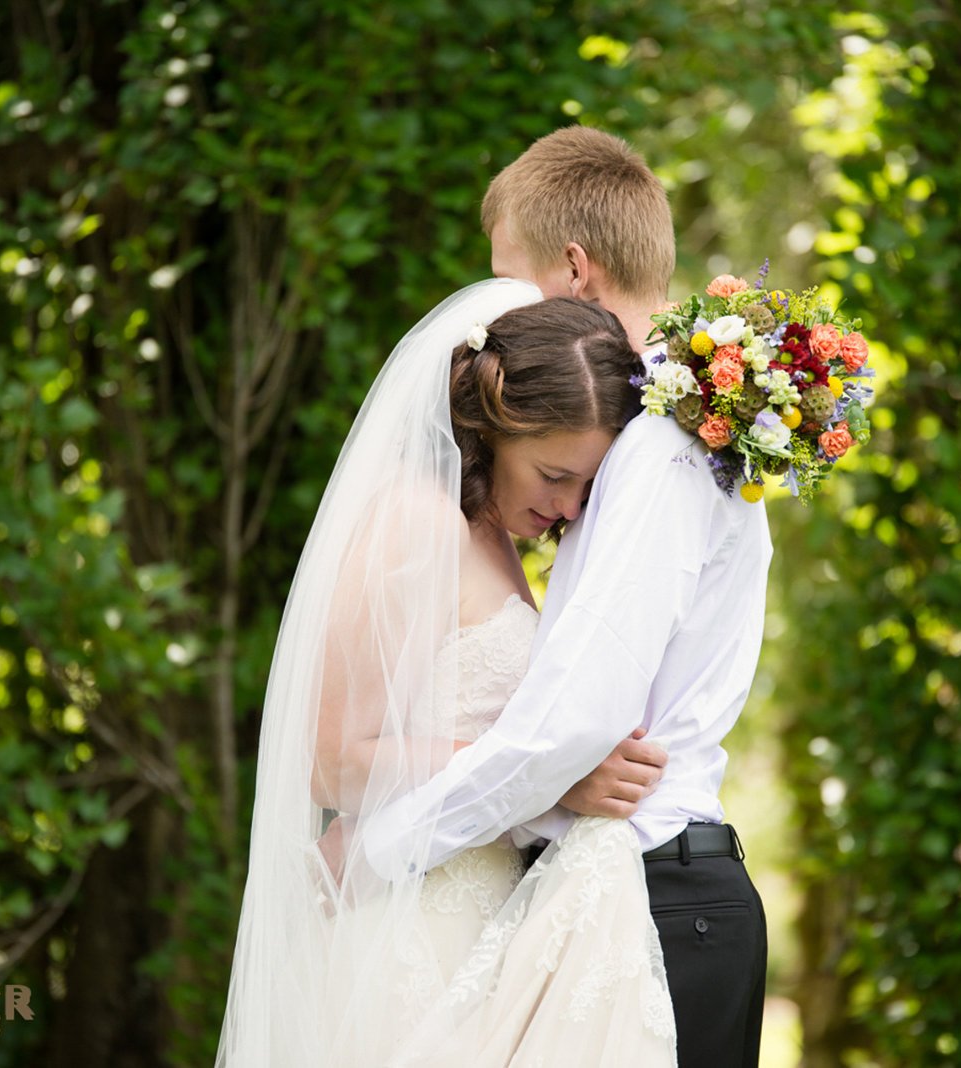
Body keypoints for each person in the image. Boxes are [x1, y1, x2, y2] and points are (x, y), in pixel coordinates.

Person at [358, 126, 773, 1067]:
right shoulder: (638, 441)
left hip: (658, 902)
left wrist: (384, 847)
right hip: (631, 893)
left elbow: (569, 731)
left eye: (509, 282)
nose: (497, 320)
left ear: (575, 270)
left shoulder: (662, 454)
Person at [214, 282, 677, 1067]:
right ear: (497, 428)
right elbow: (329, 757)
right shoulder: (415, 523)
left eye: (586, 488)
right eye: (554, 474)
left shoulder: (493, 537)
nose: (568, 507)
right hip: (403, 935)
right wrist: (547, 778)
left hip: (475, 921)